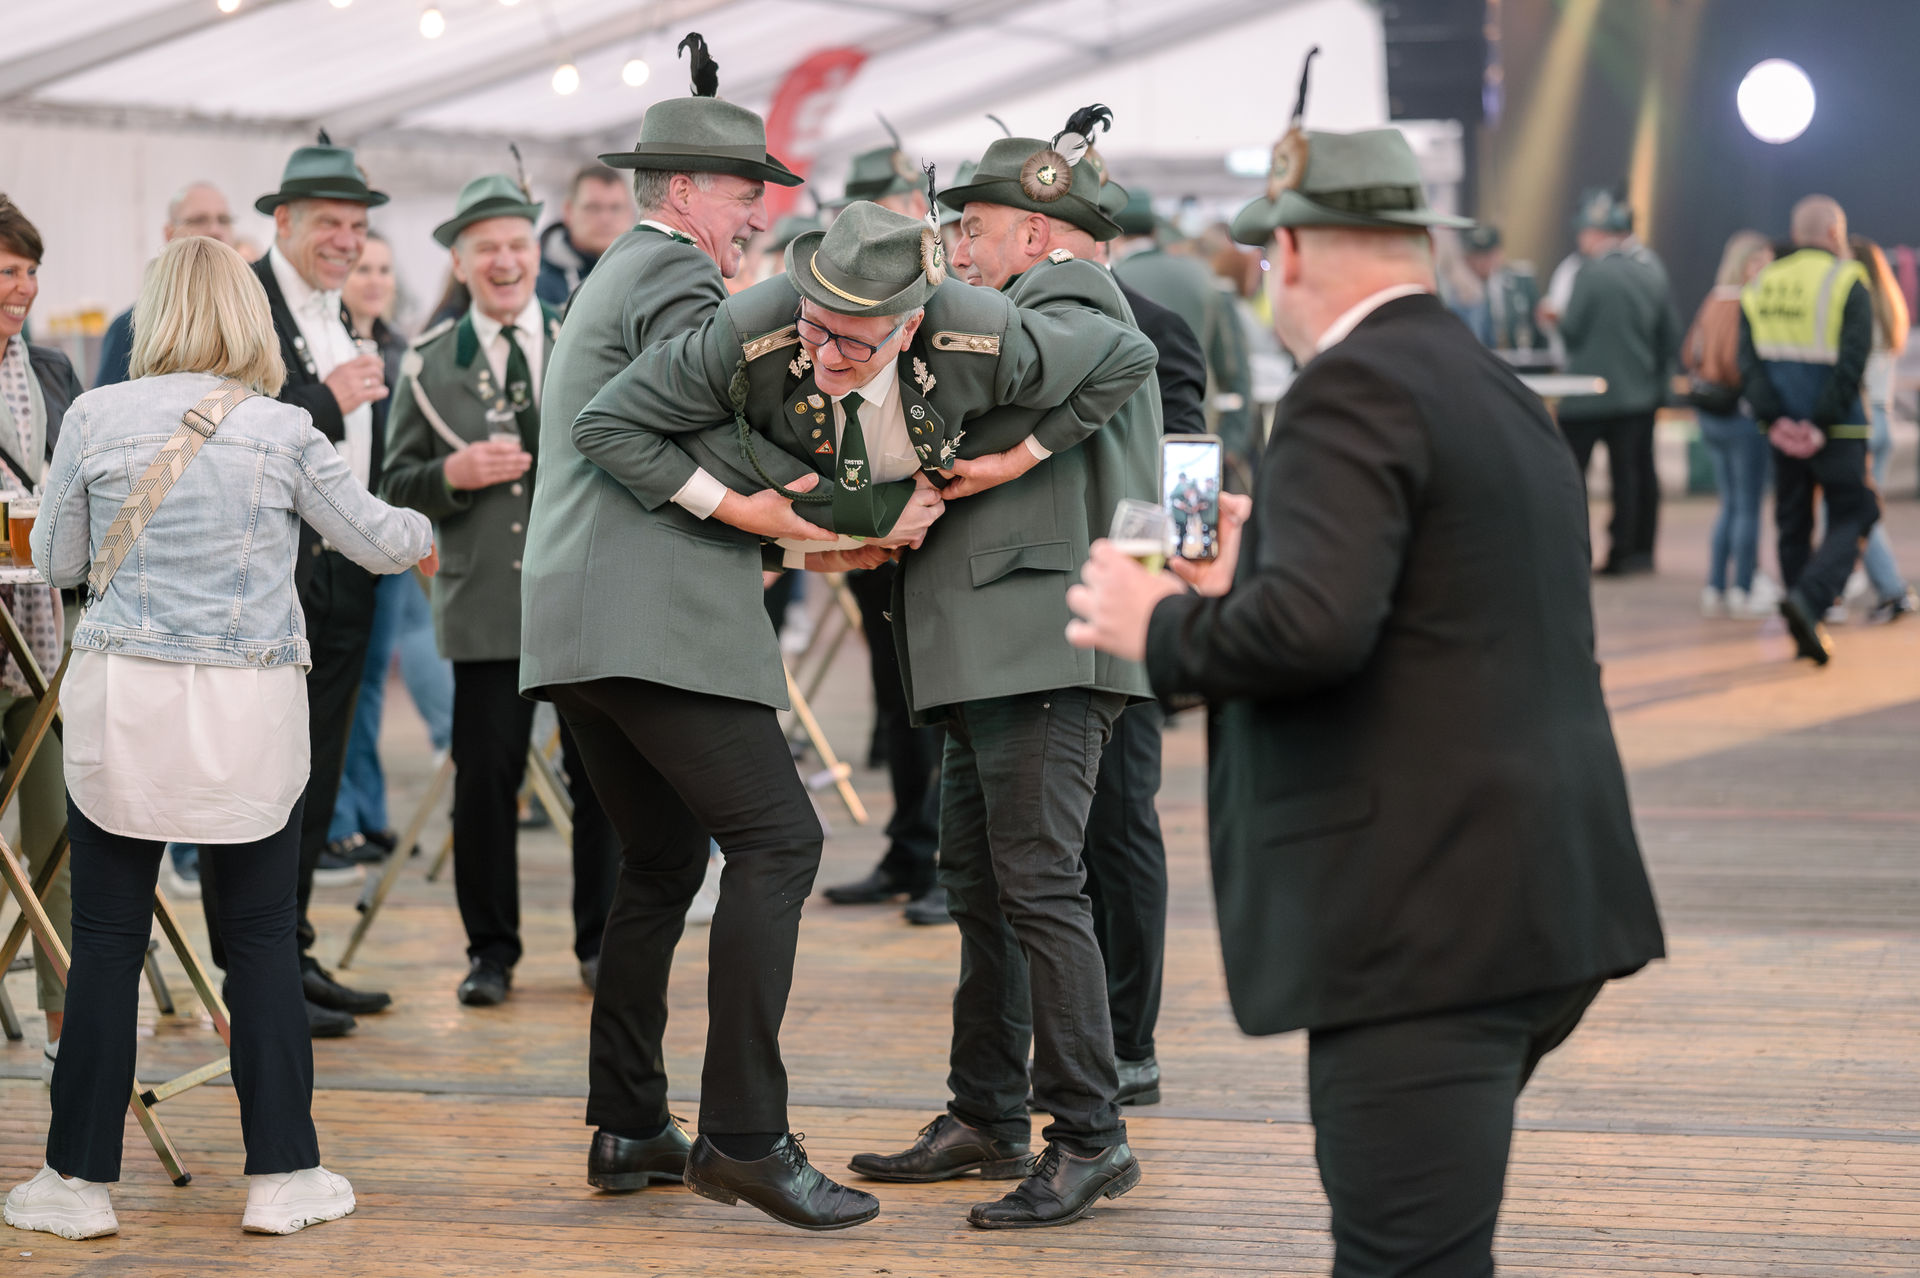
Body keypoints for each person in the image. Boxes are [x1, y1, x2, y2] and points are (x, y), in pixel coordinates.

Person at [1062, 116, 1667, 1276]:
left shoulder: (1350, 388)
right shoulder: (1487, 385)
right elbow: (1429, 610)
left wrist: (1158, 624)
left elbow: (1313, 633)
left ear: (1289, 252)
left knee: (1403, 1260)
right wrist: (1253, 573)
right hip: (1536, 897)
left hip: (1425, 924)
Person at [575, 186, 1159, 1228]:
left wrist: (1023, 468)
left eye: (972, 228)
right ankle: (988, 1113)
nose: (960, 248)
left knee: (1042, 882)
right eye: (817, 327)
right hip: (973, 651)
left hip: (1046, 645)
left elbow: (1138, 379)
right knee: (983, 886)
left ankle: (1091, 1134)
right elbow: (618, 420)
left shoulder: (1032, 310)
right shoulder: (811, 332)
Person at [517, 33, 885, 1229]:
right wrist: (818, 506)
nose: (756, 214)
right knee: (781, 843)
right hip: (652, 618)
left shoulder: (617, 270)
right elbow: (696, 438)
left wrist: (794, 529)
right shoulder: (677, 278)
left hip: (579, 623)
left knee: (664, 865)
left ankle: (631, 1124)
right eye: (742, 193)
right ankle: (744, 1137)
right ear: (682, 190)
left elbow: (669, 438)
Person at [7, 234, 433, 1242]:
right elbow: (378, 542)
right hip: (250, 711)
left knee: (105, 941)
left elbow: (57, 559)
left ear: (155, 314)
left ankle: (76, 1184)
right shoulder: (284, 429)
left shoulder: (95, 414)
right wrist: (426, 527)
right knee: (261, 941)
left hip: (125, 704)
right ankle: (283, 1176)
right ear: (249, 318)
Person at [381, 173, 620, 1004]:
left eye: (518, 244)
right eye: (486, 248)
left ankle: (601, 946)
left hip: (582, 595)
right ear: (459, 261)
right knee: (485, 787)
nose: (506, 261)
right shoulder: (425, 364)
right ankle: (490, 953)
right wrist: (452, 473)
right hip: (484, 603)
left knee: (603, 783)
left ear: (535, 251)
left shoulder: (585, 337)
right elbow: (395, 482)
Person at [226, 135, 396, 1038]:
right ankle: (256, 972)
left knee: (318, 773)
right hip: (275, 576)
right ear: (283, 220)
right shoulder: (247, 302)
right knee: (269, 777)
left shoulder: (337, 309)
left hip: (343, 574)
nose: (347, 241)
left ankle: (290, 950)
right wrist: (330, 395)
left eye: (357, 227)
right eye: (330, 223)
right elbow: (233, 425)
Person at [815, 133, 949, 925]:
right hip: (869, 524)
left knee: (939, 701)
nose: (898, 217)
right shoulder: (839, 284)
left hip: (934, 525)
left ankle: (944, 861)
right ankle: (908, 849)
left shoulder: (942, 289)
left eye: (905, 202)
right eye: (881, 205)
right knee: (896, 699)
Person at [329, 229, 455, 864]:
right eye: (361, 268)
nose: (375, 280)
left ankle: (369, 813)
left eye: (383, 268)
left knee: (373, 681)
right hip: (337, 540)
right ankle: (339, 820)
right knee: (341, 686)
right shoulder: (329, 353)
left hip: (391, 537)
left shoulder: (402, 351)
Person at [0, 195, 79, 1087]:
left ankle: (66, 1032)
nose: (22, 287)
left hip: (42, 629)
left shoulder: (54, 369)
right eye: (6, 270)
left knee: (57, 837)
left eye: (30, 270)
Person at [1741, 196, 1880, 665]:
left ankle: (1804, 624)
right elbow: (1853, 362)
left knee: (1792, 522)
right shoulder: (1848, 280)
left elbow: (1749, 364)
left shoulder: (1762, 282)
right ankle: (1810, 600)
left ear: (1796, 232)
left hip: (1782, 432)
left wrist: (1776, 420)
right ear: (1835, 232)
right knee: (1857, 510)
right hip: (1838, 431)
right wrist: (1819, 424)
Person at [1554, 188, 1680, 576]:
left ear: (1596, 234)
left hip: (1585, 396)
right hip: (1635, 396)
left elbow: (1572, 331)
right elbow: (1669, 335)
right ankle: (1628, 552)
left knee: (1571, 477)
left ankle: (1570, 552)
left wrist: (1555, 319)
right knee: (1630, 476)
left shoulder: (1588, 273)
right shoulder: (1651, 272)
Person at [1110, 187, 1257, 482]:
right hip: (1201, 430)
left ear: (1112, 236)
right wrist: (1233, 443)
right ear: (1155, 230)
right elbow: (1233, 366)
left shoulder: (1112, 284)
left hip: (1133, 444)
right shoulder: (1202, 275)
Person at [1683, 230, 1775, 620]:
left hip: (1710, 415)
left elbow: (1690, 353)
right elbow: (1741, 367)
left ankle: (1716, 585)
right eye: (1762, 262)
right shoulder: (1746, 304)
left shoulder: (1713, 300)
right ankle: (1743, 587)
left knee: (1730, 504)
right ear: (1747, 263)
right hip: (1740, 417)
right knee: (1747, 507)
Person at [94, 182, 235, 388]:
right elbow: (106, 405)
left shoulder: (257, 319)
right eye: (199, 220)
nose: (215, 230)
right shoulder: (131, 327)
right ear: (170, 234)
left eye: (224, 220)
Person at [1850, 235, 1916, 623]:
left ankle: (1891, 590)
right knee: (1861, 510)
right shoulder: (1890, 310)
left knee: (1855, 512)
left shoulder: (1859, 309)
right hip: (1883, 417)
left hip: (1863, 418)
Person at [536, 164, 635, 308]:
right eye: (593, 208)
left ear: (630, 213)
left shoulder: (645, 273)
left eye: (615, 208)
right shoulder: (535, 283)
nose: (605, 219)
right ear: (568, 211)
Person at [1451, 224, 1547, 356]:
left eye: (1488, 255)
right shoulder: (1460, 291)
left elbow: (1537, 328)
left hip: (1519, 359)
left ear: (1499, 254)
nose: (1482, 262)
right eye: (1477, 255)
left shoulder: (1520, 282)